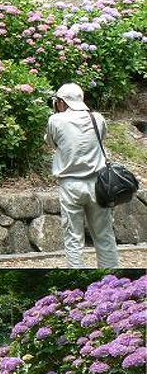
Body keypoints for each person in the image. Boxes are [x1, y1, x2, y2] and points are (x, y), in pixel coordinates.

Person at [45, 82, 119, 269]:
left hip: (70, 185)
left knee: (73, 239)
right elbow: (100, 139)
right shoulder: (97, 118)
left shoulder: (55, 120)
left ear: (61, 102)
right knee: (104, 236)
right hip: (98, 184)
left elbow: (52, 144)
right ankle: (110, 275)